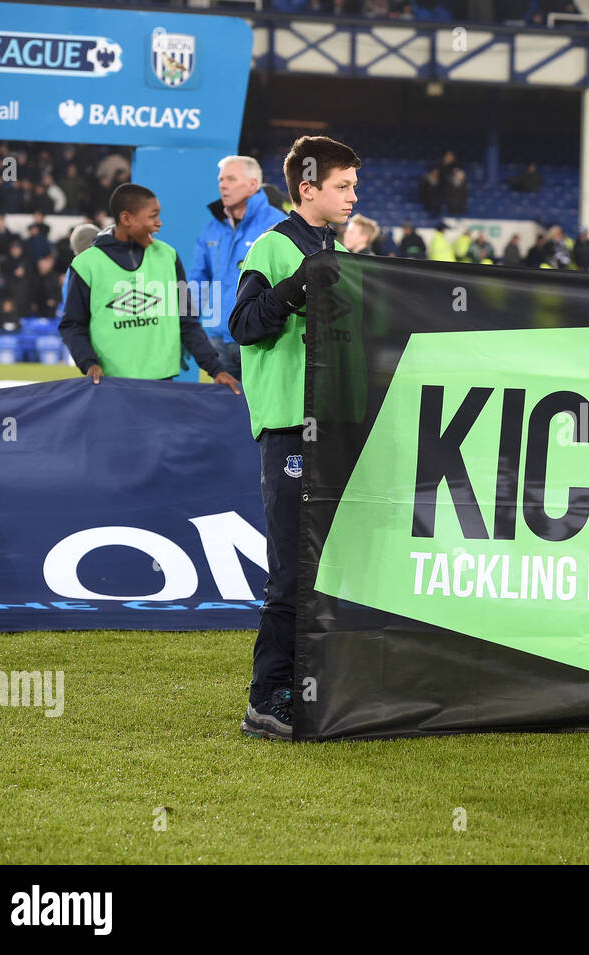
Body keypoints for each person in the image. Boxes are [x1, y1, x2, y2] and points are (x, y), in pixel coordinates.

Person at [228, 135, 359, 741]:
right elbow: (245, 327)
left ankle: (303, 687)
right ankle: (267, 698)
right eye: (343, 185)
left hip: (326, 425)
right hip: (287, 426)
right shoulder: (273, 246)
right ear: (308, 189)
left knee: (318, 567)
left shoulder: (332, 246)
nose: (353, 196)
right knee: (289, 573)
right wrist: (297, 285)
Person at [59, 183, 239, 391]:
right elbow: (72, 325)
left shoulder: (168, 256)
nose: (158, 224)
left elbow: (187, 320)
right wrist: (88, 363)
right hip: (111, 386)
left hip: (162, 386)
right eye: (152, 217)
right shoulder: (85, 265)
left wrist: (215, 369)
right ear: (126, 219)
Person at [188, 156, 286, 380]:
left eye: (231, 179)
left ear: (253, 184)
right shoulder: (211, 228)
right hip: (217, 339)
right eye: (221, 179)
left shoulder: (278, 225)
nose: (223, 184)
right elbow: (198, 279)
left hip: (261, 341)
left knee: (258, 412)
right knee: (219, 412)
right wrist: (189, 327)